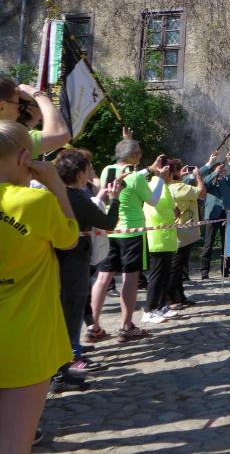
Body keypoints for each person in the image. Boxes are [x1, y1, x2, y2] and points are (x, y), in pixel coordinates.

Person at [0, 121, 79, 454]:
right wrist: (55, 185)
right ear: (23, 158)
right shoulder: (34, 202)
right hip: (25, 339)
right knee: (14, 444)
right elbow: (69, 237)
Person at [52, 149, 122, 389]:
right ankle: (63, 373)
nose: (90, 173)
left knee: (63, 316)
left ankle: (61, 368)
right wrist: (115, 199)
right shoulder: (77, 198)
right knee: (71, 316)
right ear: (80, 173)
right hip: (74, 263)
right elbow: (108, 223)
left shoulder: (54, 194)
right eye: (88, 169)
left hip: (58, 261)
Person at [89, 137, 169, 343]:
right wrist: (160, 179)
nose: (141, 155)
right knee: (130, 279)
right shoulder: (135, 177)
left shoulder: (107, 170)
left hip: (110, 230)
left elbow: (128, 178)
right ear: (133, 155)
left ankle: (93, 325)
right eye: (139, 152)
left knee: (103, 278)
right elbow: (153, 200)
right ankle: (126, 326)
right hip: (132, 234)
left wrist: (148, 170)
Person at [141, 160, 180, 324]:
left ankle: (162, 305)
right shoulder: (155, 185)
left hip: (167, 237)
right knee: (157, 276)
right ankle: (149, 309)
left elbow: (170, 207)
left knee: (164, 275)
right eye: (172, 172)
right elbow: (157, 208)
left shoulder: (162, 185)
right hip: (158, 237)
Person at [168, 160, 206, 307]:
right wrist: (198, 176)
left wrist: (180, 176)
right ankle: (171, 298)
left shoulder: (169, 186)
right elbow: (201, 192)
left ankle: (179, 296)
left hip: (177, 232)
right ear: (176, 172)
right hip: (183, 233)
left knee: (178, 267)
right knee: (176, 267)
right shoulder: (180, 187)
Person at [0, 77, 70, 157]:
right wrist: (37, 94)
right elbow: (60, 135)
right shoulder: (8, 137)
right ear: (2, 107)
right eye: (18, 105)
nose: (19, 113)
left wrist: (28, 126)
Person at [201, 151, 230, 278]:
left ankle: (225, 269)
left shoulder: (226, 181)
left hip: (226, 213)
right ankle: (204, 271)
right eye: (220, 170)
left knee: (226, 243)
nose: (222, 172)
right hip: (213, 214)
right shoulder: (210, 180)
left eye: (223, 170)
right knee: (208, 243)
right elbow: (204, 184)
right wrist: (215, 172)